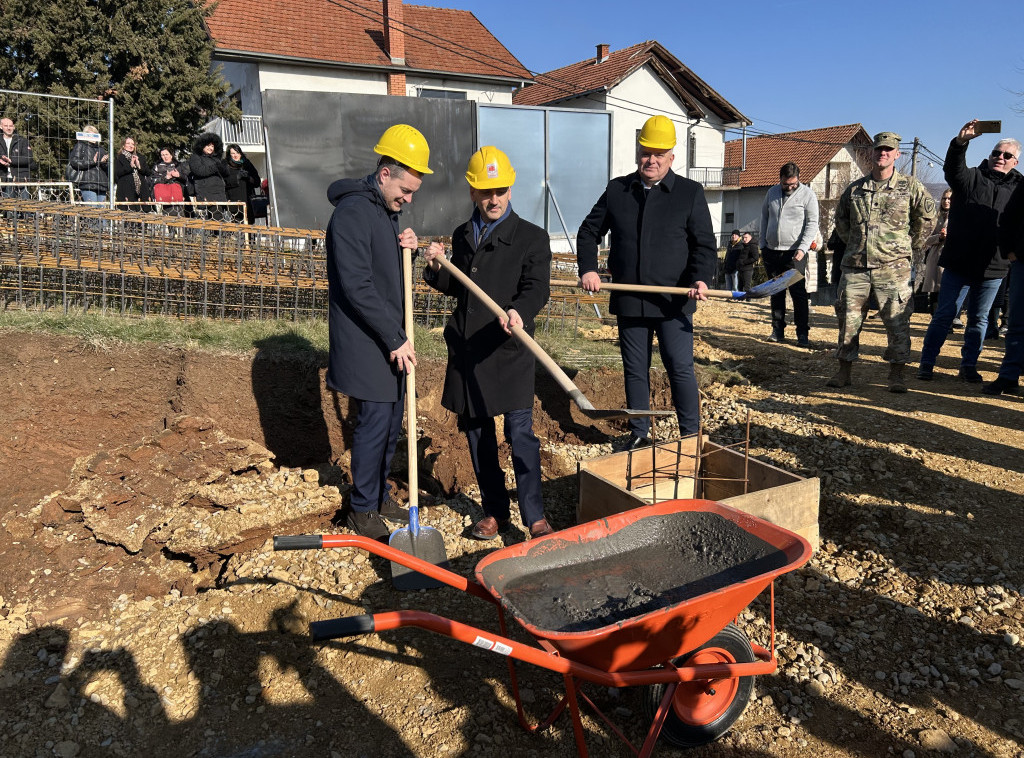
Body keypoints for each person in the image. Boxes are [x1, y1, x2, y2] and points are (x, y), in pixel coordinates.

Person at [422, 147, 553, 541]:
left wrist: (519, 311)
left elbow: (537, 288)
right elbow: (457, 285)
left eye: (500, 191)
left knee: (520, 435)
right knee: (479, 436)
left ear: (510, 189)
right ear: (472, 193)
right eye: (485, 192)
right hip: (471, 351)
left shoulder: (531, 237)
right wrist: (437, 266)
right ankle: (495, 511)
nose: (493, 199)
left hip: (509, 350)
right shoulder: (464, 234)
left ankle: (535, 517)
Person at [577, 115, 717, 448]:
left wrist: (700, 279)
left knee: (680, 367)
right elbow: (588, 232)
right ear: (638, 153)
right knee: (635, 369)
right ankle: (639, 434)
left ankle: (690, 436)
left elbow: (704, 245)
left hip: (673, 302)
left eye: (658, 154)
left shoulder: (689, 193)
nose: (651, 160)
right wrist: (588, 269)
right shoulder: (618, 190)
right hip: (631, 300)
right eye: (645, 153)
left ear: (672, 157)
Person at [325, 124, 431, 540]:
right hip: (366, 338)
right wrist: (395, 336)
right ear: (384, 173)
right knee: (373, 425)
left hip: (387, 335)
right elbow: (357, 285)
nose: (408, 199)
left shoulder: (384, 212)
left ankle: (378, 493)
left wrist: (407, 248)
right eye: (405, 190)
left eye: (413, 193)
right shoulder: (353, 213)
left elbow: (385, 271)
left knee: (389, 422)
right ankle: (362, 508)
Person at [827, 131, 936, 392]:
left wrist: (908, 246)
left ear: (897, 154)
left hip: (893, 267)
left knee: (897, 320)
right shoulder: (855, 189)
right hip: (855, 266)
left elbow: (926, 220)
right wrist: (856, 244)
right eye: (878, 149)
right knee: (847, 319)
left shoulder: (910, 187)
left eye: (888, 150)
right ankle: (844, 371)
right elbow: (841, 221)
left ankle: (897, 375)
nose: (882, 153)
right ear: (872, 153)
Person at [916, 122, 1021, 383]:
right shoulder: (970, 177)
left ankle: (968, 366)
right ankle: (927, 363)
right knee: (944, 315)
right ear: (990, 155)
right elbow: (952, 168)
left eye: (1007, 155)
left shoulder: (1020, 188)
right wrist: (960, 143)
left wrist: (1011, 254)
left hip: (994, 266)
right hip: (959, 263)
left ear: (1015, 161)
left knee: (979, 320)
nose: (1000, 157)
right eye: (996, 152)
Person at [759, 162, 819, 346]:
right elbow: (764, 218)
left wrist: (803, 248)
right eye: (786, 184)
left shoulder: (808, 195)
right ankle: (777, 330)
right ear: (780, 180)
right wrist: (762, 244)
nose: (790, 187)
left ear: (798, 179)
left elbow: (812, 223)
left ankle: (802, 333)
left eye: (793, 184)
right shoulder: (771, 193)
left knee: (798, 294)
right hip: (772, 251)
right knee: (776, 292)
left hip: (795, 253)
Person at [983, 177, 1024, 395]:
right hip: (1023, 263)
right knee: (1017, 324)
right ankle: (1008, 376)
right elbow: (1008, 218)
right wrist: (1009, 250)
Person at [914, 189, 952, 314]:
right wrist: (939, 237)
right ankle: (935, 319)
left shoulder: (960, 216)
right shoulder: (934, 217)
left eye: (949, 199)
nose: (946, 201)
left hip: (951, 257)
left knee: (949, 291)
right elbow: (925, 238)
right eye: (944, 198)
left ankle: (950, 319)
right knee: (935, 291)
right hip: (935, 258)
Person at [189, 133, 229, 220]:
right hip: (206, 193)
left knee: (217, 217)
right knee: (215, 218)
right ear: (202, 145)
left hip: (219, 193)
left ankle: (216, 229)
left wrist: (223, 167)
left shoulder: (216, 159)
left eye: (212, 146)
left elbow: (226, 174)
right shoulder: (195, 157)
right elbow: (199, 171)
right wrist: (215, 167)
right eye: (208, 145)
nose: (210, 148)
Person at [67, 125, 109, 204]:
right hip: (88, 184)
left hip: (102, 185)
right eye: (90, 135)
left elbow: (106, 168)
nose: (93, 137)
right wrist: (92, 162)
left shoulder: (101, 149)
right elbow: (74, 162)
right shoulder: (80, 145)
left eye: (95, 135)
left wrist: (104, 163)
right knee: (92, 209)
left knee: (102, 210)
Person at [224, 144, 261, 223]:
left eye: (237, 152)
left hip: (248, 201)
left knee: (249, 224)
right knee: (237, 225)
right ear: (229, 154)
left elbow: (257, 181)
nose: (236, 155)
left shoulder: (246, 163)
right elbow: (223, 182)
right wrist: (237, 177)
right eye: (233, 153)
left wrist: (249, 178)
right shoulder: (225, 164)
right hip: (234, 202)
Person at [0, 116, 33, 197]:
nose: (8, 128)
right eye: (6, 126)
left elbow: (29, 158)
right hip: (4, 179)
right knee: (8, 204)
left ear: (14, 127)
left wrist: (11, 161)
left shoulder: (22, 141)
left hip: (21, 179)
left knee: (25, 204)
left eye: (11, 126)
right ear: (1, 127)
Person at [114, 136, 150, 206]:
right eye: (128, 143)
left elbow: (148, 172)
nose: (130, 146)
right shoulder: (118, 157)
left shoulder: (140, 157)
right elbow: (116, 174)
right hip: (125, 190)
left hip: (141, 190)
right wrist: (130, 166)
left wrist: (139, 166)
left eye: (132, 144)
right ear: (123, 145)